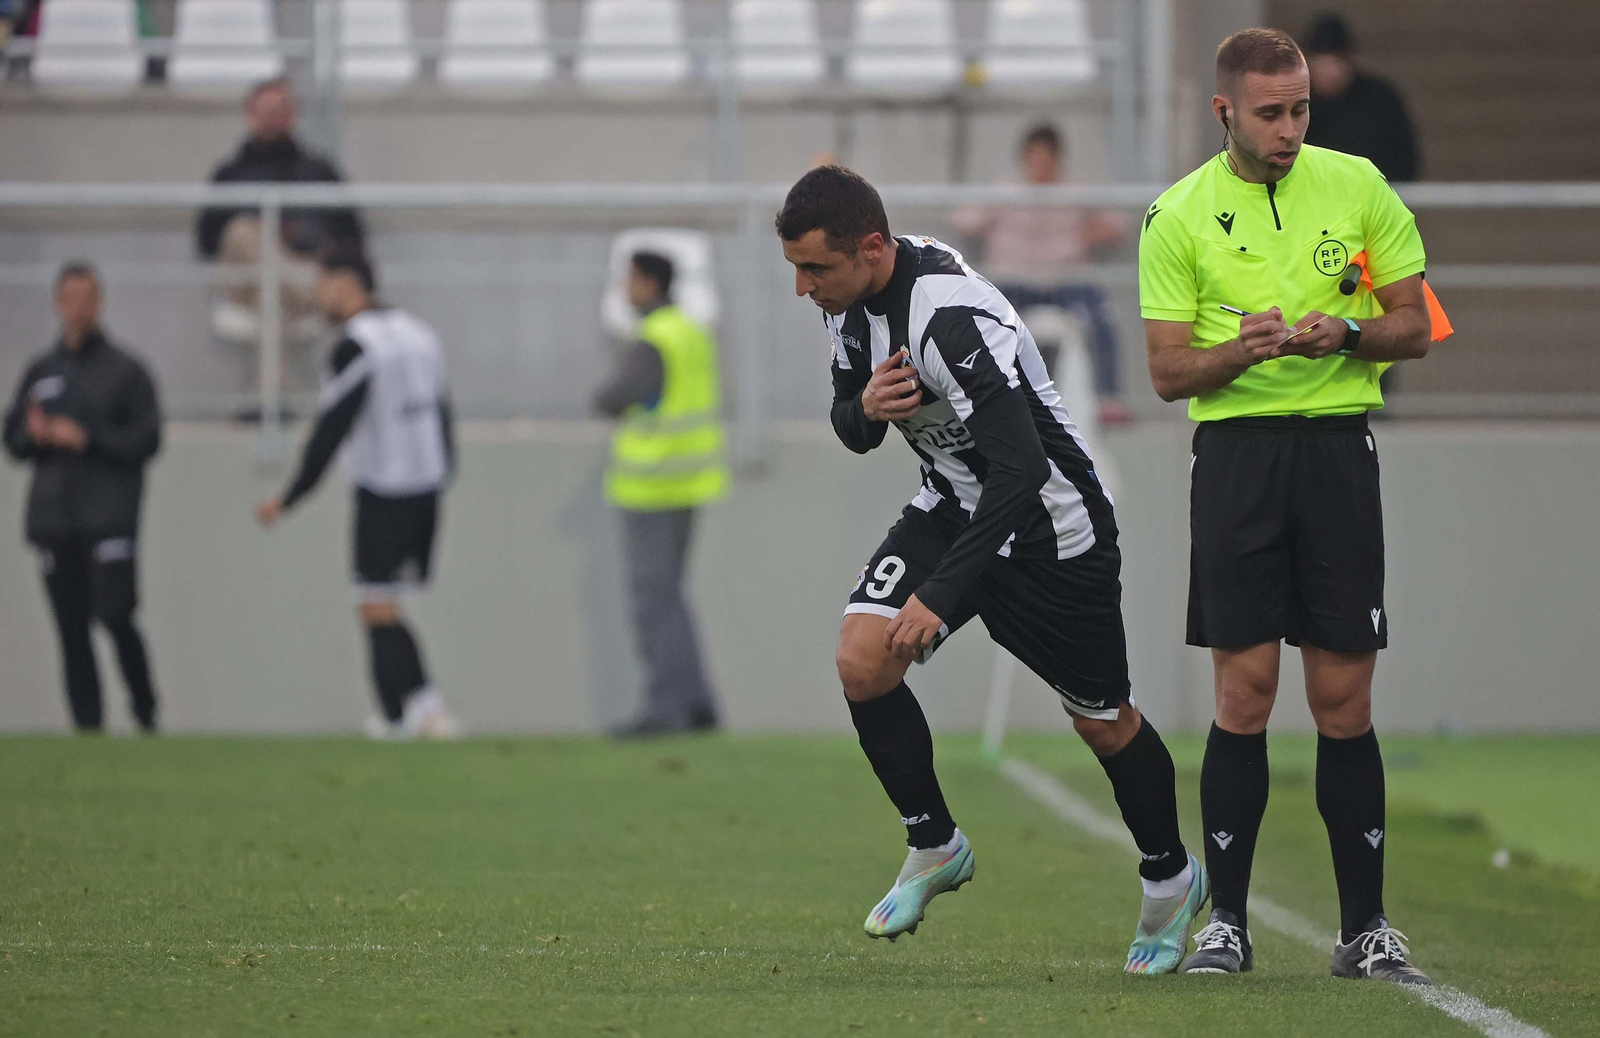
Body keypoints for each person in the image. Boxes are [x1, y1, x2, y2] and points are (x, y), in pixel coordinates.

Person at [776, 166, 1206, 972]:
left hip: (1050, 531)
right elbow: (852, 425)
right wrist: (865, 409)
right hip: (953, 505)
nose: (803, 289)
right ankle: (935, 843)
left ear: (872, 247)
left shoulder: (946, 317)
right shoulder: (848, 305)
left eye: (815, 270)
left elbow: (1021, 470)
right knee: (862, 659)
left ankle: (1170, 877)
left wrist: (939, 596)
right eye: (796, 270)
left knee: (1102, 721)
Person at [1139, 28, 1436, 983]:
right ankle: (1227, 923)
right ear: (1225, 111)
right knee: (1245, 691)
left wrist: (1347, 331)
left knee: (1343, 697)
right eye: (1271, 112)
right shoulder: (1175, 215)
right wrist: (1245, 351)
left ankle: (1367, 928)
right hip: (1236, 462)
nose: (1291, 127)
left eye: (1300, 107)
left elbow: (1415, 324)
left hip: (1337, 457)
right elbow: (1166, 372)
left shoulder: (1357, 185)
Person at [254, 252, 460, 740]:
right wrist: (444, 471)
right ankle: (395, 715)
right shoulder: (420, 334)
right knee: (381, 600)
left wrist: (291, 495)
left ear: (347, 284)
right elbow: (442, 411)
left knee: (374, 601)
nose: (317, 295)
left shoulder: (358, 346)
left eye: (322, 284)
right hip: (426, 483)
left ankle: (424, 707)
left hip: (384, 486)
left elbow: (332, 426)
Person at [3, 262, 162, 732]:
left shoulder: (126, 371)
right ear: (57, 303)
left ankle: (146, 713)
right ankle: (87, 728)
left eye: (86, 297)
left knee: (116, 617)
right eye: (68, 297)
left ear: (99, 302)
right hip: (55, 520)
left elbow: (146, 441)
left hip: (109, 517)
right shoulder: (40, 372)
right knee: (71, 631)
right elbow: (12, 441)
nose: (77, 307)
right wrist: (34, 436)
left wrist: (87, 438)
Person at [593, 251, 727, 738]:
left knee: (654, 602)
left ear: (648, 282)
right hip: (689, 482)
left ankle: (668, 707)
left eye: (629, 278)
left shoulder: (653, 337)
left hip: (651, 485)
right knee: (671, 598)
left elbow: (612, 396)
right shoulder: (689, 331)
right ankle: (696, 703)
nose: (625, 289)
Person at [949, 124, 1132, 424]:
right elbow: (961, 220)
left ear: (1058, 158)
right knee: (983, 321)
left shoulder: (1076, 191)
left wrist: (1090, 235)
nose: (1040, 165)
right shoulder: (1004, 190)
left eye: (1047, 158)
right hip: (1014, 280)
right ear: (1024, 158)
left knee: (1101, 315)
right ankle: (982, 394)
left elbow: (1117, 227)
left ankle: (1108, 396)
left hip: (1066, 279)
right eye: (1034, 157)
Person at [196, 78, 364, 401]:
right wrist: (265, 233)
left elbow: (350, 232)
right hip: (248, 280)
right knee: (244, 231)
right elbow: (206, 239)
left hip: (299, 271)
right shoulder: (229, 174)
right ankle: (307, 289)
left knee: (270, 292)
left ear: (293, 114)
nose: (272, 117)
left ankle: (268, 405)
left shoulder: (318, 171)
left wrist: (299, 239)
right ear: (250, 114)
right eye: (265, 110)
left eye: (279, 110)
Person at [1302, 13, 1420, 182]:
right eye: (1321, 62)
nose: (1329, 71)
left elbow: (1404, 161)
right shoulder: (1296, 103)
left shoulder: (1380, 100)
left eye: (1336, 61)